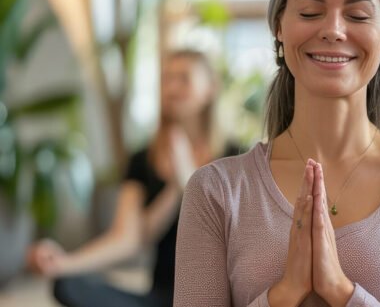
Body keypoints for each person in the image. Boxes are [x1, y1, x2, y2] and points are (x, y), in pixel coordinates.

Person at [172, 0, 380, 306]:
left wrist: (341, 291)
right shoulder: (216, 191)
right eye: (309, 12)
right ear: (279, 27)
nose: (333, 29)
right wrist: (285, 294)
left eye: (358, 15)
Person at [27, 49, 240, 307]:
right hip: (162, 297)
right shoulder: (143, 158)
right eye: (167, 79)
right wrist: (64, 263)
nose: (172, 87)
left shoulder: (236, 156)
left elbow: (238, 239)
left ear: (210, 88)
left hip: (217, 297)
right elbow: (130, 238)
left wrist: (190, 183)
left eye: (184, 78)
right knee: (68, 285)